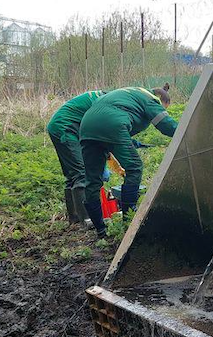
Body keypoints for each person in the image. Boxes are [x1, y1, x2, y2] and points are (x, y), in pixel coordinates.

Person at [78, 84, 177, 237]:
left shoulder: (131, 92)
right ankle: (128, 221)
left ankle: (100, 231)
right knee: (134, 167)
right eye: (164, 108)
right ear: (161, 99)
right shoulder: (151, 99)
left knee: (92, 180)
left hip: (86, 126)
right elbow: (166, 126)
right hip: (112, 123)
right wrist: (187, 131)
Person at [46, 90, 106, 223]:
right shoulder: (103, 104)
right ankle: (87, 219)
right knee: (81, 174)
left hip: (58, 126)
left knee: (71, 175)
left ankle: (75, 218)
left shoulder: (99, 98)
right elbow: (99, 134)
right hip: (65, 128)